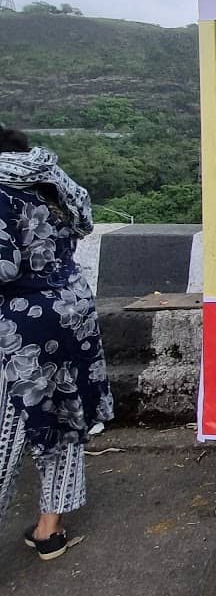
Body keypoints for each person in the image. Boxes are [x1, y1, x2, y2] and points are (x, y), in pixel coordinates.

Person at [0, 127, 113, 559]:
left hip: (20, 326)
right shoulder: (51, 177)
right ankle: (50, 528)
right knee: (65, 413)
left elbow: (5, 266)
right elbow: (85, 221)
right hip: (71, 311)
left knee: (9, 427)